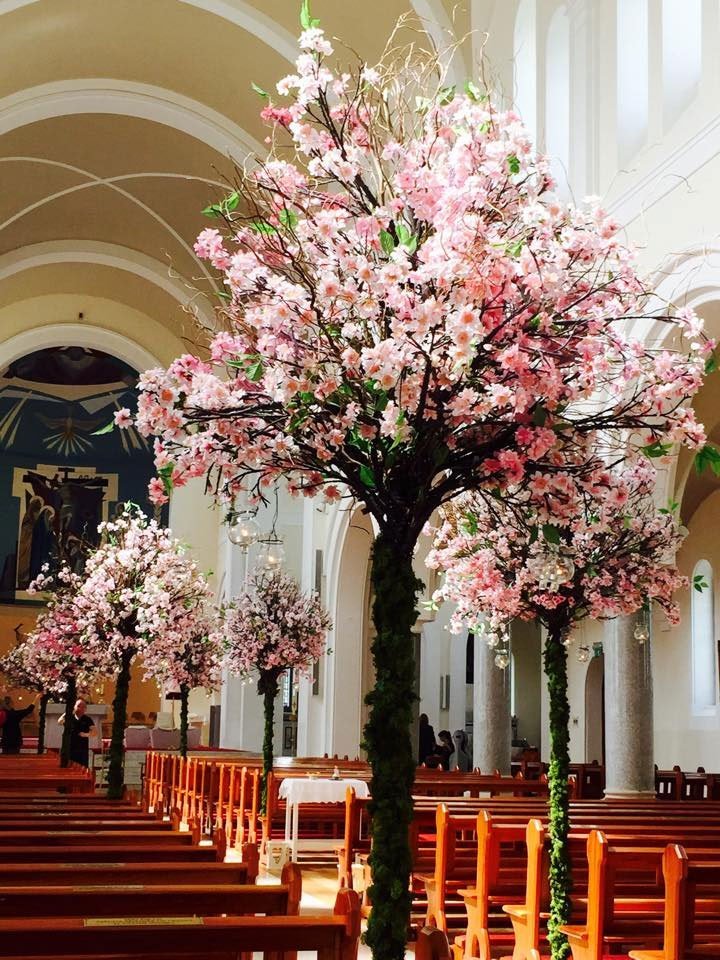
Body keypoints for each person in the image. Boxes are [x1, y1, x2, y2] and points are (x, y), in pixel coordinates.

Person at [58, 698, 95, 767]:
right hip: (70, 747)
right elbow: (60, 722)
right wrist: (68, 712)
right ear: (74, 707)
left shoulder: (87, 719)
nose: (81, 708)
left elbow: (94, 732)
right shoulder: (70, 718)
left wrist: (86, 734)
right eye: (78, 706)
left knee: (82, 767)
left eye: (83, 707)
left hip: (82, 748)